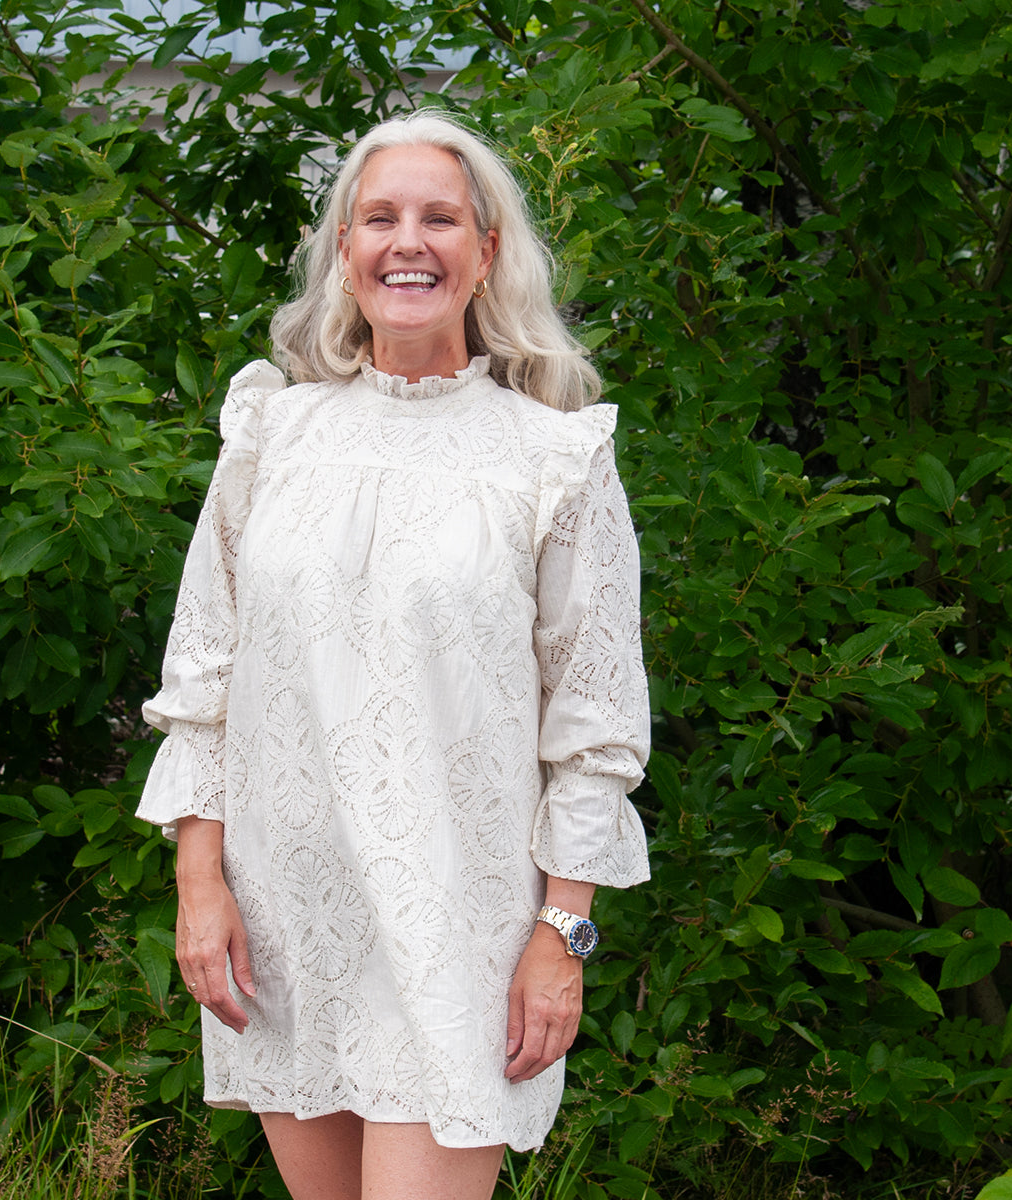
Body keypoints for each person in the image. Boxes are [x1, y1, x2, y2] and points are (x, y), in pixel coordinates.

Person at [135, 109, 650, 1200]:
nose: (406, 241)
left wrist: (563, 934)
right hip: (286, 931)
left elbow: (595, 728)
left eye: (439, 218)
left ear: (487, 253)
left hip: (456, 936)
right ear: (344, 253)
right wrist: (199, 881)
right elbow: (202, 677)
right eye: (379, 218)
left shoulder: (554, 462)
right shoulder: (273, 436)